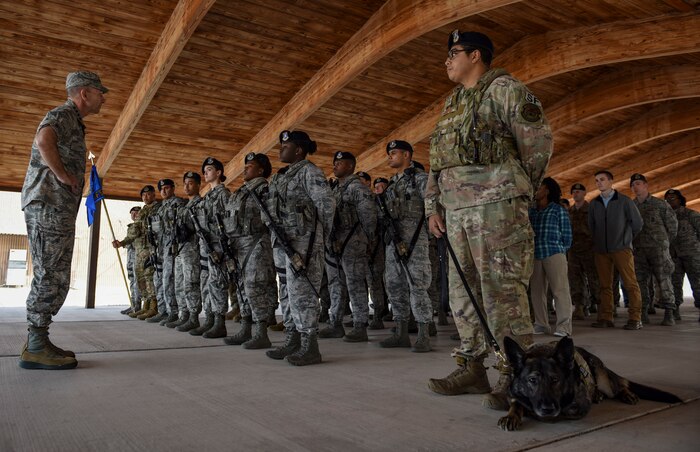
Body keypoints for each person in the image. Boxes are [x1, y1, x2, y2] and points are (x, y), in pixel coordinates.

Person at [424, 30, 552, 410]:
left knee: (502, 289)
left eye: (454, 53)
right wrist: (433, 206)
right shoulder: (452, 103)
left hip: (497, 206)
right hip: (457, 212)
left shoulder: (506, 89)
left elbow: (537, 142)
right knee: (463, 292)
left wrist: (514, 189)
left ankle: (515, 373)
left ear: (476, 55)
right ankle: (473, 365)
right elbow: (438, 161)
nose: (447, 61)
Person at [19, 71, 107, 370]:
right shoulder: (64, 114)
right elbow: (44, 140)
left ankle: (39, 339)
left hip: (56, 206)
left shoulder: (73, 121)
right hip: (49, 203)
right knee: (50, 272)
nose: (103, 97)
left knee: (55, 271)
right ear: (84, 93)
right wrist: (63, 175)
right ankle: (35, 344)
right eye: (99, 92)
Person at [264, 130, 335, 366]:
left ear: (299, 150)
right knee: (286, 292)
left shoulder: (309, 172)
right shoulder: (281, 177)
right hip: (282, 242)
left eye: (286, 146)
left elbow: (326, 205)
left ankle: (310, 346)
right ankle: (292, 339)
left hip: (304, 243)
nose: (280, 150)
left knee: (302, 293)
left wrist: (316, 238)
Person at [378, 140, 433, 353]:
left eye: (394, 153)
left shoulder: (420, 179)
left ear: (407, 155)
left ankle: (423, 335)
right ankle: (400, 332)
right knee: (394, 285)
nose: (390, 157)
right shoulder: (393, 184)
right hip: (394, 243)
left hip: (415, 242)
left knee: (417, 286)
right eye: (389, 153)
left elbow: (433, 203)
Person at [221, 153, 277, 349]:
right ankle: (245, 328)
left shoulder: (264, 190)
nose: (245, 169)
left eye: (250, 166)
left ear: (261, 170)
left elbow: (272, 219)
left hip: (257, 244)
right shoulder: (240, 192)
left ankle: (261, 332)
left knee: (256, 286)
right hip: (237, 245)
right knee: (241, 287)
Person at [320, 151, 377, 342]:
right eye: (334, 162)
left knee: (355, 283)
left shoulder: (357, 188)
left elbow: (369, 217)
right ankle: (335, 322)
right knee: (335, 284)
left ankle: (360, 325)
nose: (335, 165)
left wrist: (368, 240)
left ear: (351, 166)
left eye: (340, 163)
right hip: (334, 244)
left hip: (353, 243)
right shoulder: (336, 189)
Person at [588, 170, 644, 330]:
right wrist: (599, 241)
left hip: (622, 249)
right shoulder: (594, 203)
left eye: (602, 179)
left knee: (630, 284)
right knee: (605, 285)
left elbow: (637, 224)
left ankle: (635, 318)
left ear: (611, 181)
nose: (599, 183)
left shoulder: (625, 201)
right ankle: (606, 317)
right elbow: (592, 226)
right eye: (597, 180)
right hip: (601, 250)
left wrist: (625, 239)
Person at [190, 157, 230, 338]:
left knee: (218, 283)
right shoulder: (207, 197)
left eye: (209, 169)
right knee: (208, 284)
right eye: (204, 170)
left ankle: (219, 323)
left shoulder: (224, 194)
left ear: (219, 173)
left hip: (219, 247)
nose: (205, 173)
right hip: (207, 246)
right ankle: (210, 320)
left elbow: (227, 223)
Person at [630, 173, 678, 325]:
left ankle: (669, 312)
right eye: (633, 185)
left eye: (638, 183)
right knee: (640, 281)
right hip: (638, 250)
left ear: (645, 185)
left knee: (664, 280)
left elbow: (672, 226)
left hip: (658, 250)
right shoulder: (631, 206)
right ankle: (643, 311)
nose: (635, 187)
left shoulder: (660, 204)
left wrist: (663, 243)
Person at [529, 177, 573, 337]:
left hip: (554, 253)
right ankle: (541, 324)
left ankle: (564, 327)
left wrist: (560, 250)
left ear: (547, 190)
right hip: (535, 254)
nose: (536, 190)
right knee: (537, 291)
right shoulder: (531, 211)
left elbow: (567, 235)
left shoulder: (558, 209)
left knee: (560, 290)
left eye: (539, 187)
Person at [114, 186, 160, 321]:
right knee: (140, 278)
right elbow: (135, 231)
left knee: (149, 277)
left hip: (151, 249)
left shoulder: (158, 209)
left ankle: (153, 306)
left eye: (148, 194)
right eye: (143, 195)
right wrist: (122, 243)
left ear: (153, 195)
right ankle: (145, 305)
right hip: (139, 250)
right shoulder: (142, 211)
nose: (145, 197)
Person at [172, 172, 204, 332]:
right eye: (185, 183)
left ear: (198, 185)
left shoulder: (200, 204)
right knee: (179, 283)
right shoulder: (184, 206)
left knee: (191, 283)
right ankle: (183, 314)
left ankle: (193, 317)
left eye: (190, 183)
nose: (187, 186)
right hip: (180, 250)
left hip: (192, 249)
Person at [153, 179, 187, 326]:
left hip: (174, 248)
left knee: (173, 281)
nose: (164, 191)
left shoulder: (178, 204)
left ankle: (175, 312)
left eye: (167, 188)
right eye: (161, 189)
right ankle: (166, 311)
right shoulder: (160, 208)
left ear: (173, 188)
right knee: (164, 281)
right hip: (162, 249)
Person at [664, 189, 700, 321]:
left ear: (680, 200)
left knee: (697, 283)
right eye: (667, 199)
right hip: (674, 256)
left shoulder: (691, 215)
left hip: (692, 255)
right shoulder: (666, 217)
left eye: (672, 198)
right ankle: (675, 310)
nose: (669, 201)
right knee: (674, 284)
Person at [567, 183, 600, 319]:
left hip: (590, 249)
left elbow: (598, 229)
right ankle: (580, 307)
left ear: (585, 193)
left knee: (594, 279)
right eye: (574, 192)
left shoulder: (592, 209)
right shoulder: (569, 211)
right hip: (573, 250)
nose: (576, 194)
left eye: (579, 191)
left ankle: (601, 305)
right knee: (575, 280)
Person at [121, 206, 142, 315]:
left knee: (137, 282)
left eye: (136, 213)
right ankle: (133, 304)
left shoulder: (141, 225)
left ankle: (137, 306)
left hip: (138, 257)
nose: (134, 215)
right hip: (130, 257)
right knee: (132, 281)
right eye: (132, 213)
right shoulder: (131, 226)